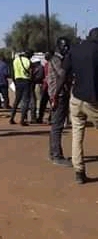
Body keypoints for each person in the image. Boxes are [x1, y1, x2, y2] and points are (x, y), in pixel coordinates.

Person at [56, 28, 98, 184]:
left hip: (76, 98)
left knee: (77, 135)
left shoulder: (75, 50)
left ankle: (79, 172)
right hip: (93, 101)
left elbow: (63, 74)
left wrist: (55, 94)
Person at [47, 37, 72, 167]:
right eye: (64, 46)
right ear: (58, 46)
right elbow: (63, 75)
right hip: (58, 95)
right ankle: (57, 155)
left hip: (58, 95)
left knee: (55, 125)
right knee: (57, 126)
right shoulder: (57, 60)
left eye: (68, 46)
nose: (66, 48)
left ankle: (53, 153)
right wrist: (55, 96)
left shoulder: (59, 59)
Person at [9, 50, 33, 126]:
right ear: (30, 55)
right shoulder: (29, 62)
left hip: (17, 81)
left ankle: (11, 118)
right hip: (26, 82)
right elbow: (31, 74)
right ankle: (22, 120)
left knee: (16, 101)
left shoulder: (16, 60)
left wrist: (15, 82)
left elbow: (12, 72)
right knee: (25, 101)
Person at [37, 52, 52, 123]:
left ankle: (41, 117)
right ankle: (50, 118)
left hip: (47, 86)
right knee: (50, 103)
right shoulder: (51, 65)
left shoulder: (46, 65)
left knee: (43, 103)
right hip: (49, 87)